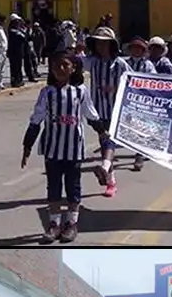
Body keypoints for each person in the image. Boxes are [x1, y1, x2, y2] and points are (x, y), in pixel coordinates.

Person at [22, 50, 112, 244]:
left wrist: (103, 133)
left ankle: (71, 223)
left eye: (65, 65)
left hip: (73, 150)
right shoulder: (47, 93)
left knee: (73, 187)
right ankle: (54, 225)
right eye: (55, 66)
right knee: (53, 187)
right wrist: (27, 145)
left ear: (73, 68)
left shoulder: (80, 92)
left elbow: (91, 115)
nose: (60, 69)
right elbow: (36, 120)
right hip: (53, 150)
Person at [82, 26, 130, 198]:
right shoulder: (92, 62)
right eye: (98, 43)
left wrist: (115, 88)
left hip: (115, 109)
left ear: (111, 45)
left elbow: (132, 85)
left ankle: (105, 169)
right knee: (104, 143)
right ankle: (109, 177)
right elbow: (75, 65)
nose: (101, 47)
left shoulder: (120, 64)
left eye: (105, 43)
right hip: (97, 110)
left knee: (109, 138)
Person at [124, 37, 157, 172]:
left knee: (141, 128)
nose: (136, 51)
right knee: (131, 128)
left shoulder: (147, 65)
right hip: (128, 100)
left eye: (139, 48)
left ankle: (139, 156)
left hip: (143, 100)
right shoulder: (124, 63)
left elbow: (153, 80)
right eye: (134, 48)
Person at [7, 15, 28, 88]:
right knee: (15, 68)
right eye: (17, 22)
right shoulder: (13, 30)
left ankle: (19, 80)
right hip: (14, 52)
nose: (18, 23)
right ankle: (15, 81)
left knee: (18, 67)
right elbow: (23, 38)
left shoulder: (18, 30)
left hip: (18, 52)